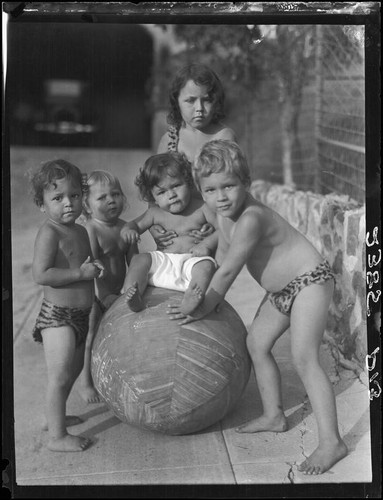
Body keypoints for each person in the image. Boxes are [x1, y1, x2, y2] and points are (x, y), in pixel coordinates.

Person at [167, 140, 348, 475]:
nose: (220, 197)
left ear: (246, 183)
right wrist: (194, 290)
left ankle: (331, 442)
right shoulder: (222, 216)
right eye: (210, 190)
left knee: (304, 357)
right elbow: (219, 257)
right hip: (281, 291)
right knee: (256, 344)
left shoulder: (251, 218)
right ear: (200, 191)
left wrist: (204, 306)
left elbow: (229, 270)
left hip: (309, 281)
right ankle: (274, 415)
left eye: (229, 186)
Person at [31, 159, 104, 452]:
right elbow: (41, 274)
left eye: (74, 195)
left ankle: (55, 417)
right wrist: (79, 274)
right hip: (58, 316)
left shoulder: (81, 230)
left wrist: (92, 272)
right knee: (59, 375)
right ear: (42, 204)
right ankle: (57, 437)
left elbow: (82, 267)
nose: (68, 203)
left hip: (81, 313)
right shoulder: (50, 232)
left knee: (72, 372)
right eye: (57, 198)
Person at [121, 151, 217, 314]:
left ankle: (192, 298)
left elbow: (225, 230)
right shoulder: (155, 213)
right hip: (163, 262)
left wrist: (207, 242)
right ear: (152, 196)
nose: (171, 195)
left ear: (188, 182)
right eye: (162, 192)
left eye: (176, 186)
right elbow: (132, 225)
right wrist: (129, 231)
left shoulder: (202, 208)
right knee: (140, 259)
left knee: (206, 266)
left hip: (191, 262)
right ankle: (132, 292)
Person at [153, 62, 236, 250]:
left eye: (206, 100)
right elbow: (154, 190)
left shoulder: (223, 137)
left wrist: (216, 225)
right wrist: (155, 227)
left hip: (211, 229)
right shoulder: (169, 141)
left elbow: (232, 189)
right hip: (175, 231)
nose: (199, 108)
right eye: (190, 100)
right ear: (177, 101)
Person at [77, 170, 138, 404]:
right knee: (91, 335)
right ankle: (85, 382)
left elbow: (135, 263)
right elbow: (91, 263)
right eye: (102, 197)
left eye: (116, 194)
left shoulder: (126, 228)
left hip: (120, 293)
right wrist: (103, 294)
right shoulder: (91, 228)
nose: (111, 200)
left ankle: (117, 375)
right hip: (97, 295)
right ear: (87, 205)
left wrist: (129, 291)